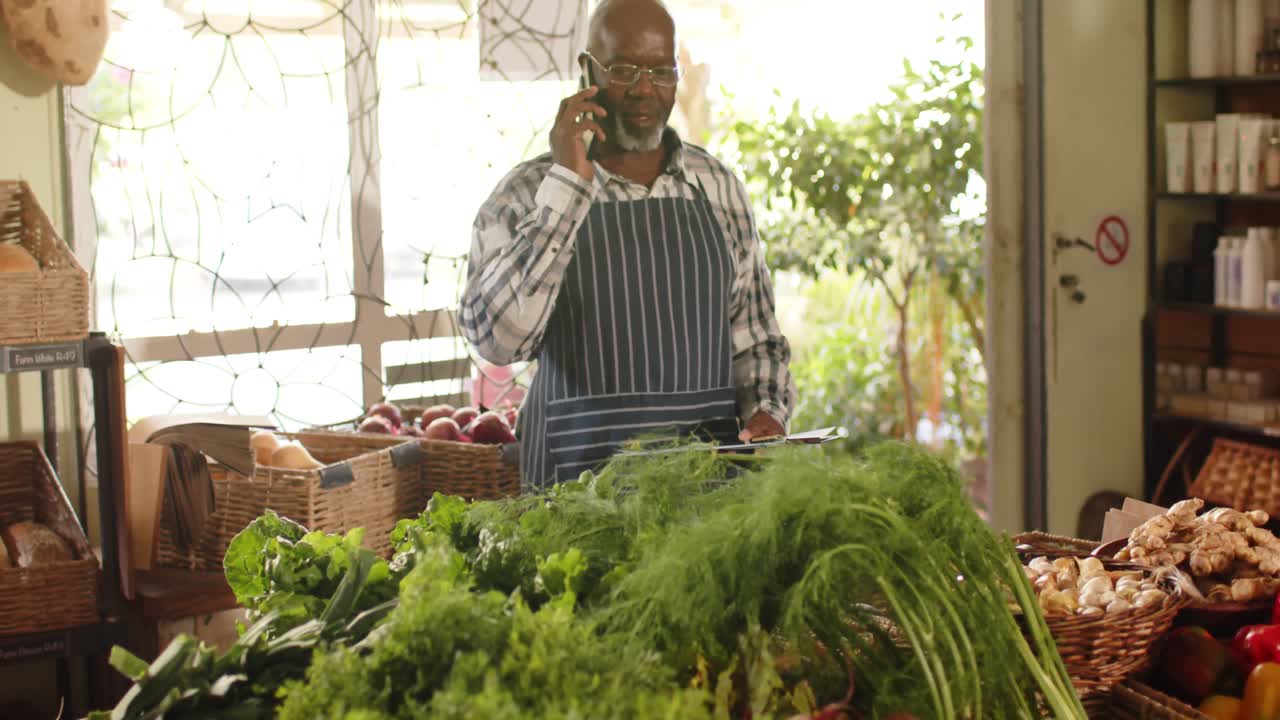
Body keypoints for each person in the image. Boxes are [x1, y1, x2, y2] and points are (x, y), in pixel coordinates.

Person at [461, 0, 795, 488]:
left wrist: (767, 413)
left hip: (708, 507)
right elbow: (497, 342)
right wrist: (568, 186)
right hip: (572, 504)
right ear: (586, 72)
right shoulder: (527, 193)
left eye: (661, 70)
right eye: (624, 69)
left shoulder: (719, 187)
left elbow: (757, 341)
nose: (644, 89)